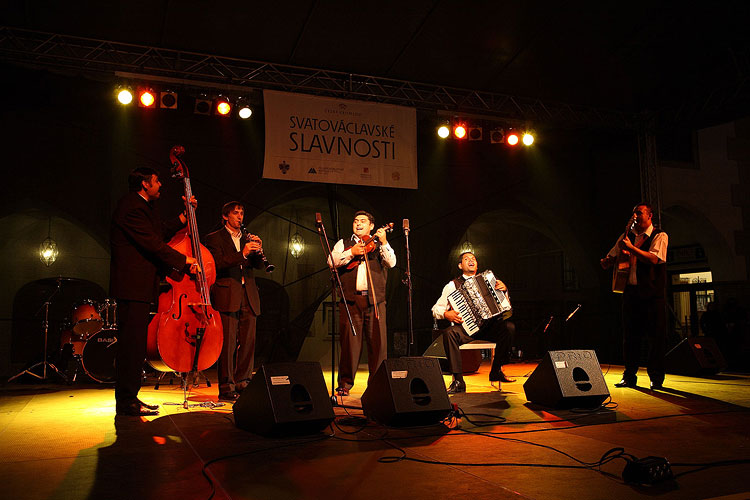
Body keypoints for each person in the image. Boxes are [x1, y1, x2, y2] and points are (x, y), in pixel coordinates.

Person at [110, 167, 199, 416]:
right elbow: (153, 243)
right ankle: (126, 401)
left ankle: (130, 398)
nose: (161, 184)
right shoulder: (131, 207)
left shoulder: (141, 207)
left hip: (138, 286)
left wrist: (185, 216)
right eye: (157, 180)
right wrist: (185, 261)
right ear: (144, 184)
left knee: (135, 346)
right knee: (131, 346)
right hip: (132, 286)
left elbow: (158, 231)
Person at [600, 203, 668, 390]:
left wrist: (631, 248)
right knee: (630, 338)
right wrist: (607, 261)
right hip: (631, 293)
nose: (636, 216)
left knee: (655, 337)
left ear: (650, 215)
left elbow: (654, 258)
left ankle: (656, 378)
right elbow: (612, 255)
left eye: (639, 213)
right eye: (634, 213)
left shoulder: (659, 235)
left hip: (652, 294)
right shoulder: (626, 237)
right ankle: (629, 376)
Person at [329, 211, 396, 396]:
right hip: (351, 301)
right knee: (349, 345)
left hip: (375, 301)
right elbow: (331, 261)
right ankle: (344, 384)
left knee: (378, 345)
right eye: (356, 220)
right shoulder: (344, 243)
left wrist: (384, 242)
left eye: (363, 221)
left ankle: (377, 385)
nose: (358, 223)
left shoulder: (377, 245)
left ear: (371, 226)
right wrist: (351, 252)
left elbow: (391, 262)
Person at [204, 202, 264, 402]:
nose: (240, 216)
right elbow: (217, 264)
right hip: (228, 293)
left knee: (248, 342)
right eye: (235, 213)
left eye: (242, 212)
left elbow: (258, 266)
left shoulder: (247, 237)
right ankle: (226, 385)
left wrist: (258, 250)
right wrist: (243, 253)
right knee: (228, 343)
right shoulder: (214, 238)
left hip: (249, 293)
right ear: (225, 217)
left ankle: (244, 382)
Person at [431, 251, 515, 394]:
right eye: (466, 259)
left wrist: (504, 290)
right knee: (449, 333)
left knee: (509, 327)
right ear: (460, 265)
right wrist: (446, 314)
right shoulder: (452, 285)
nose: (471, 260)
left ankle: (496, 370)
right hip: (466, 328)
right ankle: (458, 380)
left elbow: (504, 306)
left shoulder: (489, 280)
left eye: (473, 259)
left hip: (488, 327)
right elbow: (435, 309)